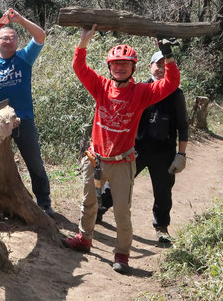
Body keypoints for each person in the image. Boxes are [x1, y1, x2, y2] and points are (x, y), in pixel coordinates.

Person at [62, 24, 180, 274]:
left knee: (122, 211)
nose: (119, 67)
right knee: (88, 203)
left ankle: (122, 254)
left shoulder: (142, 93)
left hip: (122, 163)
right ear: (109, 67)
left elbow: (170, 83)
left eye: (125, 63)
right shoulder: (101, 87)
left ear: (134, 67)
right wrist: (83, 42)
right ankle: (84, 239)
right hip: (94, 160)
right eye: (115, 64)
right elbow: (79, 68)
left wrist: (167, 54)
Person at [98, 50, 188, 243]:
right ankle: (98, 210)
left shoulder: (176, 94)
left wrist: (181, 154)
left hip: (164, 153)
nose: (161, 69)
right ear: (149, 67)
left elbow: (183, 125)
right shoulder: (139, 89)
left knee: (163, 191)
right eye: (158, 64)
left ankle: (162, 227)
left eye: (165, 65)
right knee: (116, 184)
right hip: (135, 149)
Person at [0, 10, 54, 215]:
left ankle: (44, 202)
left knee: (34, 162)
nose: (8, 41)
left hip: (23, 119)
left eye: (12, 38)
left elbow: (41, 36)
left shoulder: (24, 58)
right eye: (4, 38)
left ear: (17, 42)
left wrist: (21, 20)